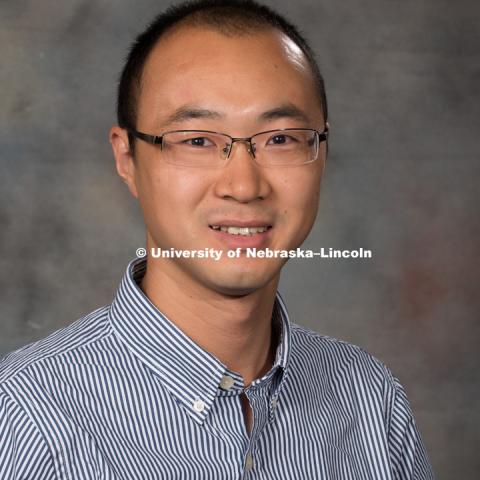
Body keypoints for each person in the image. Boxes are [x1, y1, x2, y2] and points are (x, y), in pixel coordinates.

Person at [0, 0, 435, 478]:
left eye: (281, 139)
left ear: (321, 152)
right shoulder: (29, 418)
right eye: (197, 141)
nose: (244, 186)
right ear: (127, 160)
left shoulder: (370, 401)